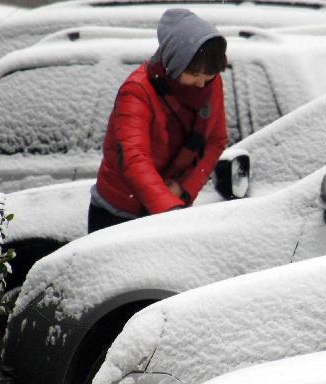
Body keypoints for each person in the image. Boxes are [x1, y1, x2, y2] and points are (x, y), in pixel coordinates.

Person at [89, 9, 228, 233]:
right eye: (193, 74)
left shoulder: (211, 85)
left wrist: (183, 189)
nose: (202, 83)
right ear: (175, 63)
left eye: (208, 75)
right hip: (119, 215)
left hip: (169, 210)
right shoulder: (137, 91)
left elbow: (215, 141)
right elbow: (134, 158)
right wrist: (169, 209)